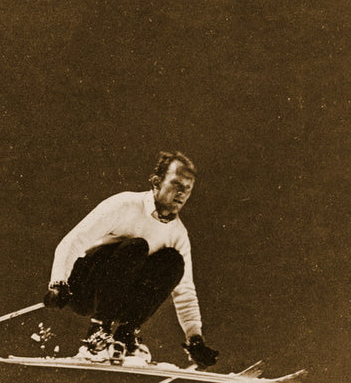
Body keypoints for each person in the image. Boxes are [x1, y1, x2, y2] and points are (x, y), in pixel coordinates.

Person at [43, 151, 219, 368]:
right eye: (176, 184)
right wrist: (59, 283)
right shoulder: (124, 205)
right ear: (156, 182)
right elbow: (73, 241)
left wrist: (195, 340)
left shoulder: (178, 234)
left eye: (188, 188)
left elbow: (184, 291)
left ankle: (125, 334)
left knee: (173, 262)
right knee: (137, 246)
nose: (182, 193)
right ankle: (97, 332)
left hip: (119, 297)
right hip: (84, 288)